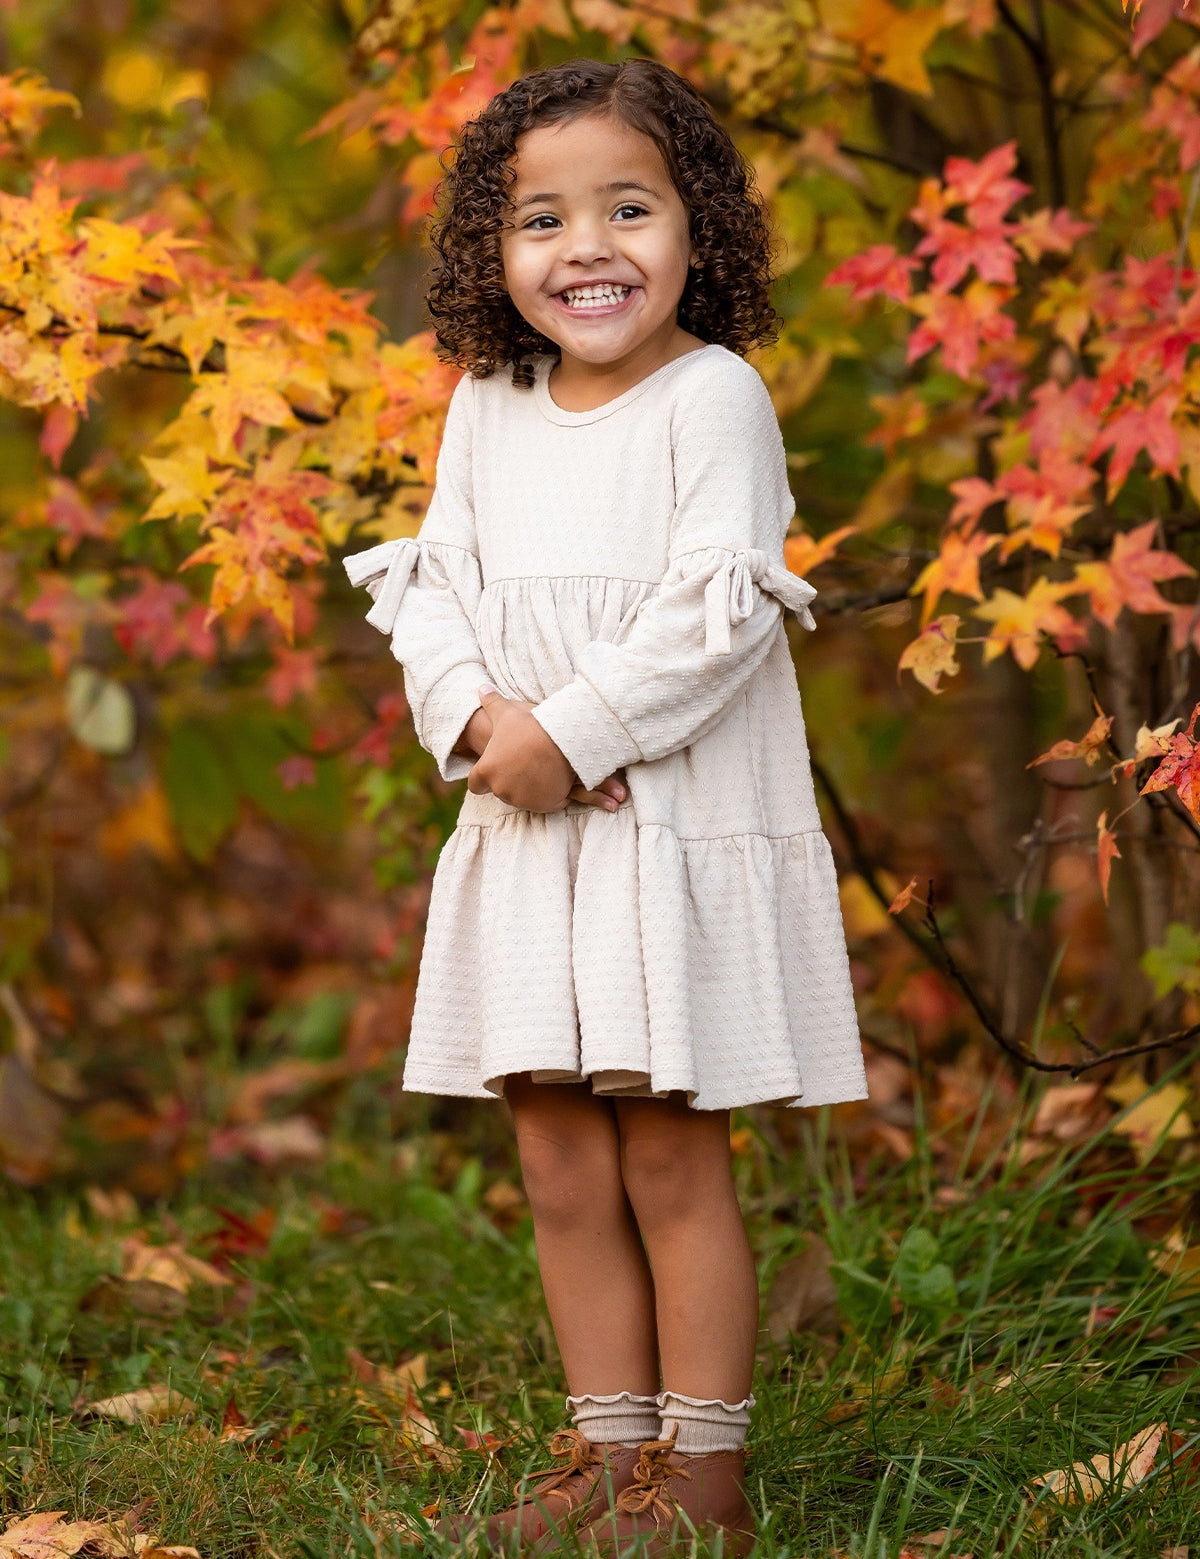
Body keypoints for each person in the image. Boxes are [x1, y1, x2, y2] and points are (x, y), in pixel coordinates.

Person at [342, 55, 869, 1557]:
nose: (587, 250)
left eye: (628, 209)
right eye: (542, 221)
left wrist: (571, 732)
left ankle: (699, 1476)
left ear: (697, 227)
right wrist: (477, 721)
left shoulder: (715, 400)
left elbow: (722, 620)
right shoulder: (487, 404)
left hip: (660, 840)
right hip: (528, 837)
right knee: (560, 1158)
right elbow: (432, 591)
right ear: (488, 254)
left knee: (664, 1151)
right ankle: (606, 1447)